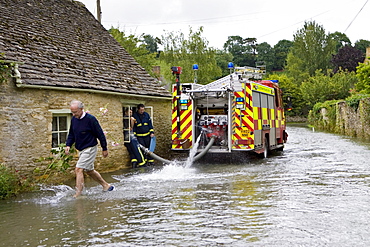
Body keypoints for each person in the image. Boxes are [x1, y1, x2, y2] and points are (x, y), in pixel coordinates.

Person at [65, 100, 114, 198]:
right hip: (81, 149)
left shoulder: (91, 119)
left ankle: (78, 194)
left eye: (75, 112)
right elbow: (71, 134)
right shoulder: (74, 119)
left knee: (78, 169)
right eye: (72, 112)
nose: (73, 114)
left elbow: (100, 134)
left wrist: (104, 148)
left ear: (81, 109)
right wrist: (68, 145)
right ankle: (106, 185)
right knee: (89, 171)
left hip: (90, 148)